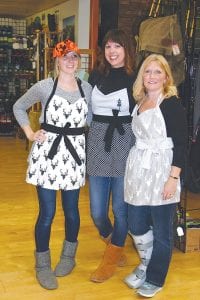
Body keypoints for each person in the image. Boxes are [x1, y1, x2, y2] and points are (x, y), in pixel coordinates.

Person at [13, 39, 92, 290]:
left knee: (72, 211)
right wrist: (29, 133)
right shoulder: (45, 86)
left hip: (73, 157)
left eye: (74, 57)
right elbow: (19, 106)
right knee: (46, 213)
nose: (70, 61)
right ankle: (42, 264)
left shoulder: (86, 88)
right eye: (65, 56)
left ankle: (69, 257)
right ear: (56, 60)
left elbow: (89, 118)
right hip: (47, 155)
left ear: (78, 62)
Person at [123, 54, 187, 297]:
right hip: (139, 169)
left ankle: (155, 277)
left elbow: (181, 144)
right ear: (142, 76)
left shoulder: (170, 103)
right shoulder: (138, 101)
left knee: (162, 230)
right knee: (136, 223)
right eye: (147, 72)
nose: (151, 76)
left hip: (163, 169)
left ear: (166, 77)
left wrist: (173, 178)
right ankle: (145, 263)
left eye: (157, 72)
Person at [87, 29, 135, 283]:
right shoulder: (95, 75)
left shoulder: (135, 78)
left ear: (127, 49)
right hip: (97, 141)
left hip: (124, 142)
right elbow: (85, 110)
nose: (112, 51)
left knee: (120, 207)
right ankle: (113, 242)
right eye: (108, 46)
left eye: (117, 46)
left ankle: (111, 257)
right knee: (97, 210)